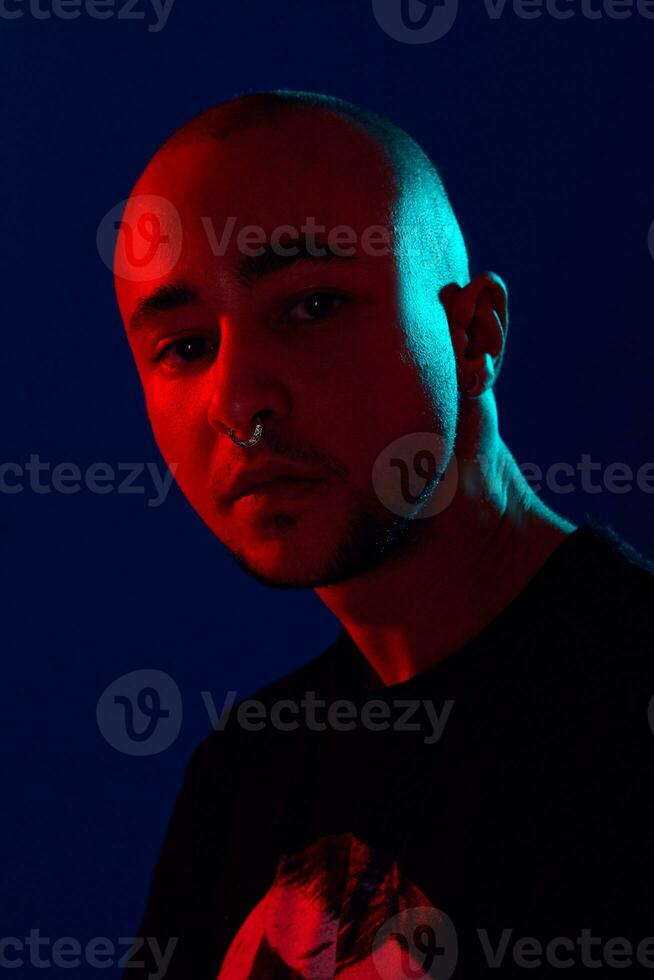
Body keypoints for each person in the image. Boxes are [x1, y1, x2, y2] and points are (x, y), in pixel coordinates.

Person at [114, 90, 654, 978]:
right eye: (181, 346)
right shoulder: (243, 776)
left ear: (474, 333)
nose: (239, 401)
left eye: (313, 305)